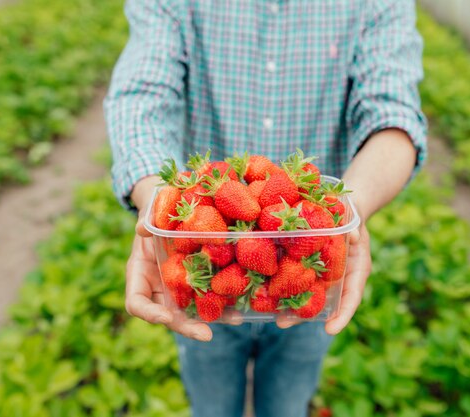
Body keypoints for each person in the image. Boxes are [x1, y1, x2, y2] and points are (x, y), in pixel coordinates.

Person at [104, 1, 427, 416]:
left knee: (288, 403)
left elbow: (394, 114)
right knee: (213, 404)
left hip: (311, 280)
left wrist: (347, 210)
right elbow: (140, 97)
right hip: (201, 268)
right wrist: (159, 202)